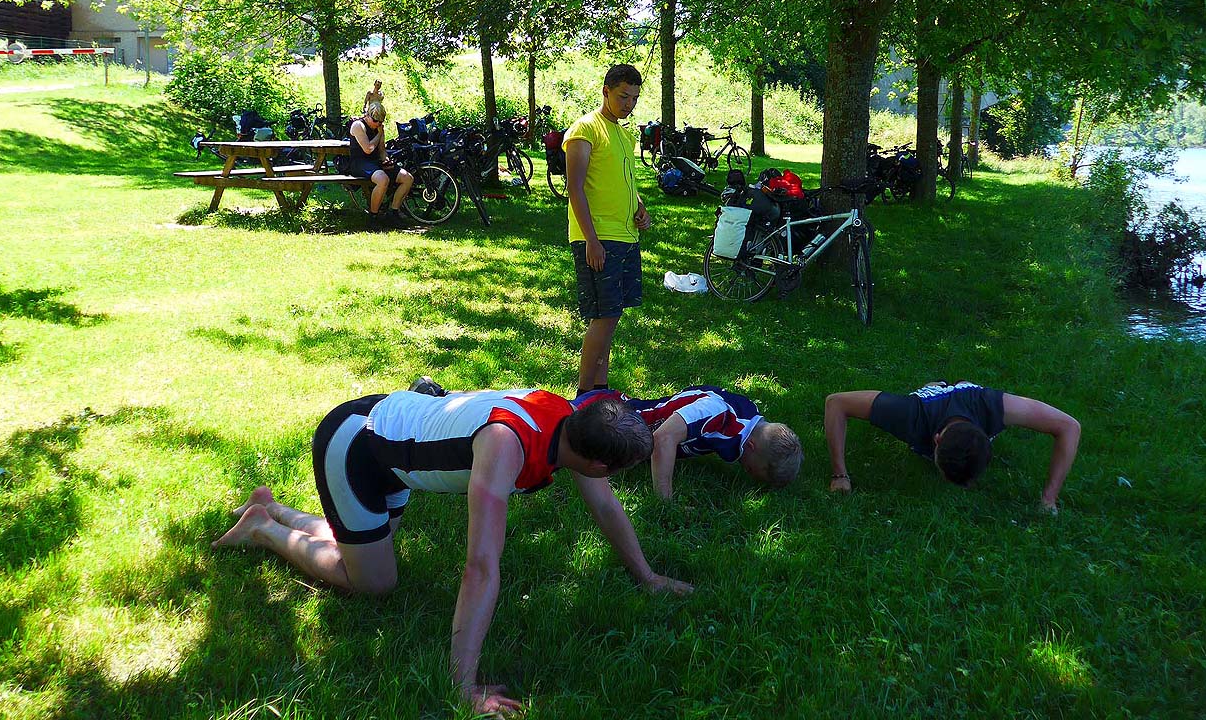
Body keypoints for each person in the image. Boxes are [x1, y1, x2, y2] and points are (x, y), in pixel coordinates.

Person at [213, 387, 692, 716]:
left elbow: (606, 507)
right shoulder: (506, 447)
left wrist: (648, 577)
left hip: (391, 440)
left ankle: (272, 508)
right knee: (373, 581)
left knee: (367, 547)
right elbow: (480, 568)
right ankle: (263, 529)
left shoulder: (570, 423)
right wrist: (463, 686)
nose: (610, 481)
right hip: (356, 446)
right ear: (598, 463)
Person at [823, 380, 1081, 512]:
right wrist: (839, 475)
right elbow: (836, 402)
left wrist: (1049, 500)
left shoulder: (995, 407)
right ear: (935, 440)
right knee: (933, 390)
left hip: (969, 393)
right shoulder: (910, 415)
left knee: (964, 386)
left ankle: (950, 384)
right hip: (930, 402)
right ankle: (936, 385)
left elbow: (1070, 426)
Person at [565, 64, 649, 395]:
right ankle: (584, 395)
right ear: (606, 91)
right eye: (623, 96)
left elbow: (625, 181)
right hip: (599, 237)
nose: (629, 104)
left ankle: (600, 389)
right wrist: (591, 240)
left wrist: (640, 208)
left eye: (634, 98)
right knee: (603, 317)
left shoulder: (625, 135)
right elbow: (575, 188)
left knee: (611, 317)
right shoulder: (585, 129)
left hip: (626, 236)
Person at [580, 385, 802, 498]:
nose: (746, 470)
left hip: (614, 418)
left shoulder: (749, 417)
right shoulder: (716, 412)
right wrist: (664, 501)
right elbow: (663, 438)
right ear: (751, 447)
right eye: (751, 470)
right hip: (605, 417)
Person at [349, 82, 412, 226]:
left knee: (407, 178)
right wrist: (379, 134)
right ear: (369, 116)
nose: (378, 124)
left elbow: (381, 149)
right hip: (360, 162)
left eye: (381, 122)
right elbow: (368, 148)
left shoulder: (378, 127)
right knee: (383, 179)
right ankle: (373, 217)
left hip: (375, 162)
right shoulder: (358, 125)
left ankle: (393, 212)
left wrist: (386, 160)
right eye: (376, 122)